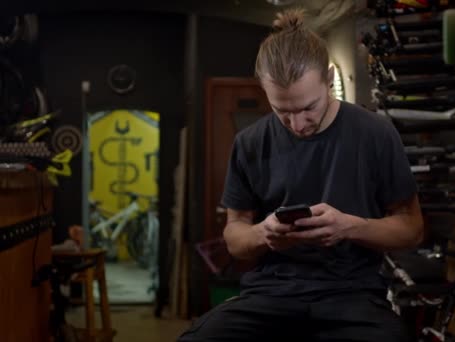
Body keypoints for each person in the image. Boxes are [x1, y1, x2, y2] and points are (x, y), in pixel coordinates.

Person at [178, 8, 423, 342]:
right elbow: (235, 238)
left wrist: (349, 227)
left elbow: (411, 229)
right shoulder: (250, 143)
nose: (297, 125)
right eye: (283, 112)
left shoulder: (375, 134)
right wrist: (264, 232)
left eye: (309, 107)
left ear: (329, 78)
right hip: (270, 295)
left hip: (351, 295)